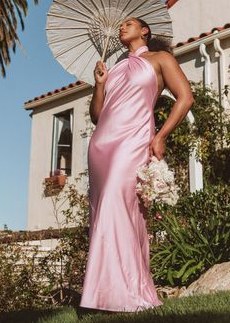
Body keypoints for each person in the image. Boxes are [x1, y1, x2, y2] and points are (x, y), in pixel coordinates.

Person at [79, 17, 194, 313]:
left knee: (121, 208)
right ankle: (103, 294)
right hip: (102, 144)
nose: (121, 27)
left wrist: (162, 135)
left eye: (128, 23)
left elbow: (185, 97)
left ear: (145, 30)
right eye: (121, 26)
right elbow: (97, 115)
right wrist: (100, 84)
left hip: (133, 141)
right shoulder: (113, 67)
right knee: (103, 210)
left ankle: (124, 292)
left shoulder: (160, 58)